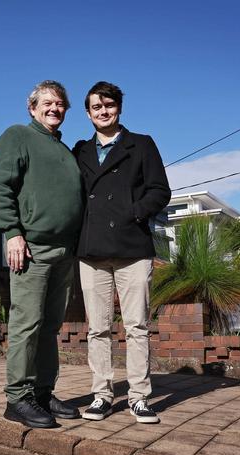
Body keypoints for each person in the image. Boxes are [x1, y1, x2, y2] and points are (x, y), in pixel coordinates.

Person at [0, 80, 83, 428]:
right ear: (32, 107)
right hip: (32, 248)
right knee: (26, 324)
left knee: (50, 327)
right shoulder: (18, 136)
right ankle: (18, 398)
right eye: (48, 103)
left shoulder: (64, 150)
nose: (55, 108)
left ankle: (42, 392)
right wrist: (12, 234)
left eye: (60, 104)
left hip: (63, 252)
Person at [73, 81, 170, 424]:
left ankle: (139, 397)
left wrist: (133, 213)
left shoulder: (141, 144)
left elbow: (160, 191)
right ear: (88, 113)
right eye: (96, 107)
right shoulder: (80, 150)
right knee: (97, 328)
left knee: (136, 326)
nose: (103, 111)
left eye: (109, 105)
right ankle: (101, 395)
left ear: (119, 108)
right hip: (92, 249)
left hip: (132, 247)